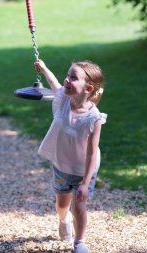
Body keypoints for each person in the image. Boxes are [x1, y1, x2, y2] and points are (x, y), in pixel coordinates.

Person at [34, 59, 107, 253]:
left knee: (80, 205)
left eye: (73, 78)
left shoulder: (94, 118)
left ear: (88, 87)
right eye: (68, 75)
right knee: (61, 203)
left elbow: (92, 152)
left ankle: (79, 242)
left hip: (84, 169)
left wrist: (85, 182)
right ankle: (63, 220)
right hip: (61, 164)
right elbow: (54, 84)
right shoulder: (63, 100)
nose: (67, 80)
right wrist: (44, 68)